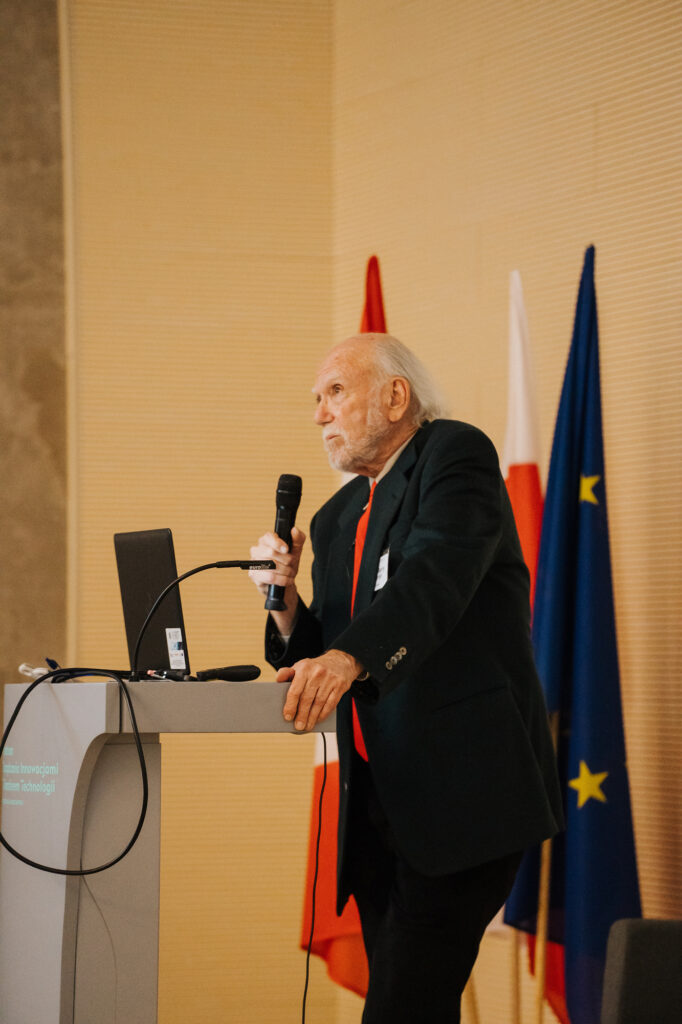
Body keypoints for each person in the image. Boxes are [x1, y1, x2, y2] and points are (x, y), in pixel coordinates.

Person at [250, 333, 563, 1023]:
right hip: (378, 815)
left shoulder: (453, 456)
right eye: (316, 399)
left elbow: (434, 580)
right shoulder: (335, 519)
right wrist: (286, 598)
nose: (319, 414)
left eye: (335, 391)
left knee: (401, 1009)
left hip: (462, 800)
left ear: (395, 397)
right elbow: (318, 648)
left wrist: (344, 658)